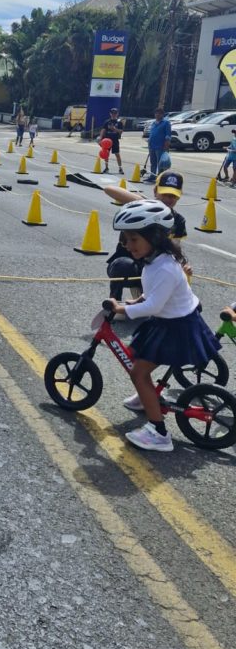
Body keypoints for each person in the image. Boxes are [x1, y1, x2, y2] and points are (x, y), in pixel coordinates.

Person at [108, 200, 220, 452]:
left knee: (138, 372)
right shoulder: (157, 260)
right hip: (170, 321)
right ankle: (148, 398)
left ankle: (158, 433)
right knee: (138, 356)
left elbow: (153, 307)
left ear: (155, 237)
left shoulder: (164, 268)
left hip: (177, 327)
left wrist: (122, 308)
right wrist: (136, 299)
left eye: (134, 239)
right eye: (125, 239)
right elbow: (153, 295)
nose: (128, 246)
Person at [104, 170, 187, 300]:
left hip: (154, 267)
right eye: (164, 194)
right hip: (131, 266)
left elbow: (175, 250)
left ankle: (149, 302)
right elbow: (108, 189)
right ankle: (113, 302)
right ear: (155, 191)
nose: (168, 199)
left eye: (173, 195)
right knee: (122, 265)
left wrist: (182, 268)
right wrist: (145, 203)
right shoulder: (140, 208)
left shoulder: (178, 220)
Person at [145, 107, 171, 182]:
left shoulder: (166, 123)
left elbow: (168, 135)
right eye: (156, 113)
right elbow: (152, 134)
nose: (157, 115)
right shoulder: (153, 123)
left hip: (161, 146)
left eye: (159, 113)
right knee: (153, 162)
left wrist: (166, 145)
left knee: (161, 163)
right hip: (152, 145)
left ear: (162, 114)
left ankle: (160, 178)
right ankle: (152, 176)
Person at [98, 107, 124, 175]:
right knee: (106, 154)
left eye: (115, 113)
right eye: (112, 113)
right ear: (110, 114)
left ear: (117, 114)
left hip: (115, 140)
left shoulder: (119, 122)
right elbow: (103, 130)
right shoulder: (107, 122)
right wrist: (100, 139)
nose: (113, 114)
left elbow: (121, 132)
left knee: (117, 154)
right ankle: (106, 168)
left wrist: (114, 129)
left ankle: (120, 168)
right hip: (107, 140)